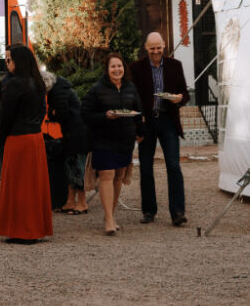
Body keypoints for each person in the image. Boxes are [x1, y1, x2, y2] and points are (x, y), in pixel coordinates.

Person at [129, 32, 190, 226]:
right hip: (147, 123)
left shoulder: (175, 66)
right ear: (146, 48)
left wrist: (179, 99)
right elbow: (133, 97)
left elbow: (185, 94)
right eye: (152, 48)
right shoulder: (136, 68)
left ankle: (178, 212)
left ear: (164, 46)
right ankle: (149, 210)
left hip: (168, 121)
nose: (156, 51)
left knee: (173, 166)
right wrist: (138, 122)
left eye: (159, 47)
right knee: (146, 167)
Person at [81, 53, 144, 235]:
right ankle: (108, 218)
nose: (117, 69)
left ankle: (112, 214)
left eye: (120, 66)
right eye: (113, 67)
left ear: (124, 68)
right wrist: (104, 116)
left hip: (125, 139)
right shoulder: (97, 89)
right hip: (103, 139)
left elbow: (138, 112)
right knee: (107, 174)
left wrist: (140, 131)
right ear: (107, 70)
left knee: (118, 176)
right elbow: (85, 113)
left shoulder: (131, 88)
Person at [0, 44, 53, 244]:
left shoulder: (13, 84)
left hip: (18, 139)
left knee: (18, 187)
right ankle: (32, 228)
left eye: (9, 59)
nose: (6, 63)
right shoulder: (37, 83)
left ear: (18, 61)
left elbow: (6, 116)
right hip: (35, 139)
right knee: (32, 187)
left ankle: (22, 231)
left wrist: (1, 140)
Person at [41, 70, 89, 215]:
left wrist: (50, 115)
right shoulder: (60, 88)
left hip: (76, 134)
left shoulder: (57, 92)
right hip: (73, 133)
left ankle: (82, 202)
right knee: (70, 167)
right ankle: (69, 201)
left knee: (76, 168)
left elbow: (61, 113)